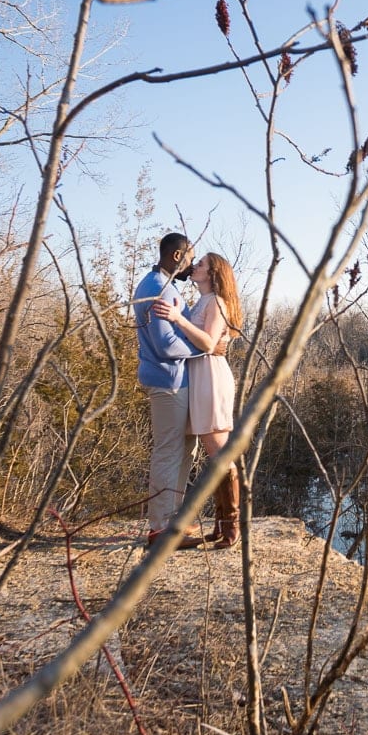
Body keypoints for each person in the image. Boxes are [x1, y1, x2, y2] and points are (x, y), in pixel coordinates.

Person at [153, 251, 243, 548]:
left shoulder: (217, 301)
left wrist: (178, 318)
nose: (194, 266)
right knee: (214, 453)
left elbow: (206, 342)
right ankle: (221, 525)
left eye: (201, 264)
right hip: (200, 377)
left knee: (219, 454)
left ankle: (231, 527)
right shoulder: (204, 301)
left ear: (213, 273)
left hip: (211, 379)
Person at [133, 233, 205, 549]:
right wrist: (202, 349)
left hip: (181, 382)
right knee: (167, 451)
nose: (192, 264)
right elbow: (165, 345)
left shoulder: (168, 287)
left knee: (184, 451)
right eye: (190, 257)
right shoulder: (155, 288)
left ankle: (172, 521)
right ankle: (159, 530)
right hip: (167, 382)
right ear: (177, 256)